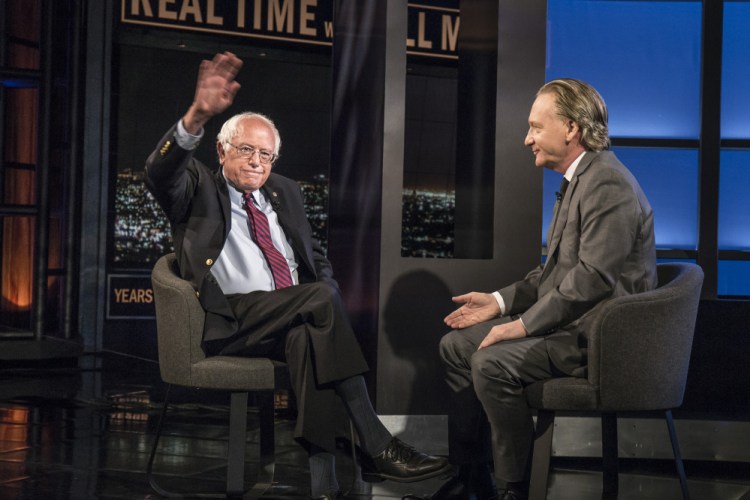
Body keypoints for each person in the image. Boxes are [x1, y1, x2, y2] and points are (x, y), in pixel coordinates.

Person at [144, 52, 449, 500]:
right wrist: (196, 116)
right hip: (234, 319)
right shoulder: (197, 188)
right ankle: (377, 444)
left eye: (266, 154)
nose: (256, 161)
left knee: (311, 337)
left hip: (289, 315)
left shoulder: (284, 191)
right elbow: (159, 171)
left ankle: (324, 490)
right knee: (322, 300)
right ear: (222, 149)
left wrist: (321, 293)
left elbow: (314, 255)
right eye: (246, 149)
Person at [431, 79, 657, 500]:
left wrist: (519, 328)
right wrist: (498, 304)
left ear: (571, 128)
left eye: (536, 127)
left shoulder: (608, 183)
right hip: (571, 328)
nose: (527, 138)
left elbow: (592, 279)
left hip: (598, 340)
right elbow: (553, 274)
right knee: (457, 346)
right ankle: (471, 476)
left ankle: (513, 486)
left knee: (490, 363)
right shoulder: (579, 180)